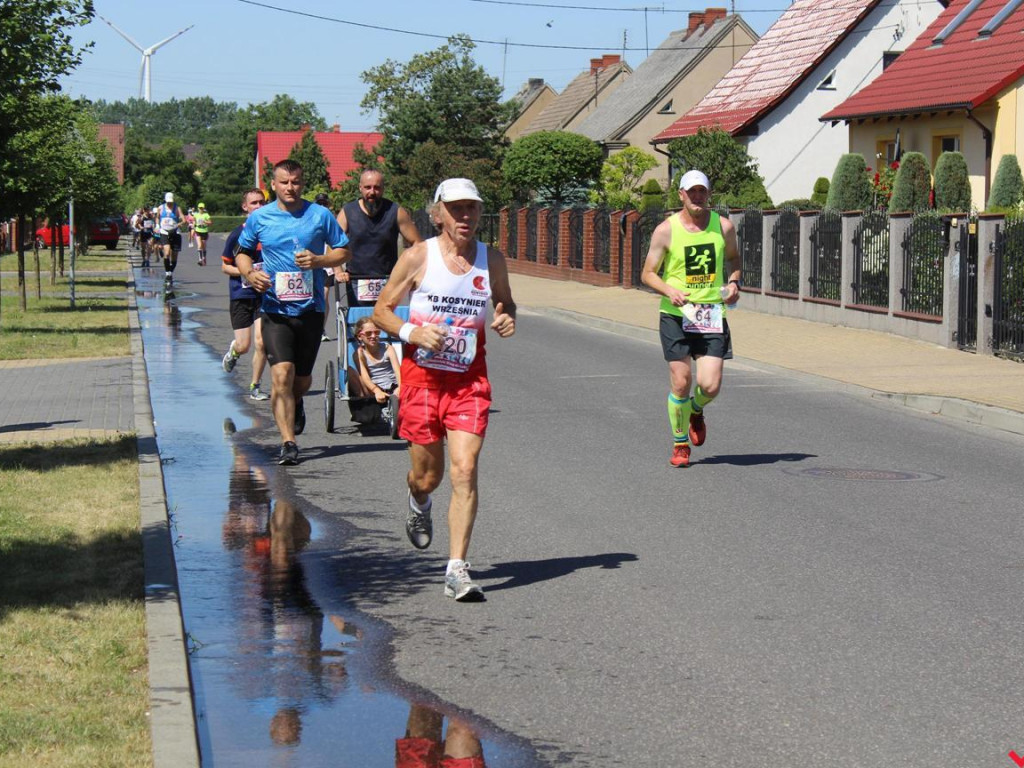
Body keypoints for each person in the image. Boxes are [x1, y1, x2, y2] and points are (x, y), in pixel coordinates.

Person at [373, 178, 516, 602]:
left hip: (469, 382)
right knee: (428, 477)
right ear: (437, 214)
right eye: (455, 209)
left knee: (465, 469)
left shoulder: (492, 260)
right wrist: (413, 332)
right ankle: (418, 502)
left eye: (472, 208)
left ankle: (457, 567)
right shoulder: (418, 257)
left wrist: (506, 318)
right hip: (422, 381)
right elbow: (381, 311)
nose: (465, 216)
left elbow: (505, 301)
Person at [234, 160, 350, 466]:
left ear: (302, 183)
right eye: (284, 182)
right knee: (281, 375)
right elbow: (242, 253)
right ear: (273, 184)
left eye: (296, 182)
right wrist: (249, 275)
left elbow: (343, 250)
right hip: (274, 308)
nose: (290, 187)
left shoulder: (320, 215)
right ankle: (288, 442)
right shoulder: (260, 218)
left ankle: (296, 401)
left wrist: (319, 260)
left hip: (310, 309)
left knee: (301, 381)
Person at [640, 169, 741, 469]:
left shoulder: (723, 227)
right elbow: (647, 274)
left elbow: (734, 260)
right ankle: (680, 443)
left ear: (708, 194)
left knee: (710, 386)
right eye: (691, 191)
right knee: (681, 381)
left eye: (702, 191)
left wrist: (734, 283)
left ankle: (696, 410)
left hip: (710, 314)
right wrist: (668, 289)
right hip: (676, 314)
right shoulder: (665, 230)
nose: (697, 196)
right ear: (680, 195)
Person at [336, 169, 421, 308]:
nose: (372, 192)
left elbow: (418, 243)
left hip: (388, 279)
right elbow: (333, 243)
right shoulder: (348, 211)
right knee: (360, 324)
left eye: (377, 187)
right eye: (367, 187)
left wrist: (410, 269)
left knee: (387, 322)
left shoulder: (395, 211)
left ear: (383, 189)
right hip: (356, 280)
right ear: (360, 188)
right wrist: (338, 271)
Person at [220, 187, 271, 401]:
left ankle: (255, 385)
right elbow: (225, 267)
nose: (258, 207)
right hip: (241, 295)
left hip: (264, 295)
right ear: (245, 207)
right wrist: (247, 273)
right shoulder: (236, 235)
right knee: (244, 345)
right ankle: (234, 352)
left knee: (262, 342)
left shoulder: (270, 232)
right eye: (254, 203)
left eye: (261, 202)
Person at [351, 315, 401, 401]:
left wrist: (400, 387)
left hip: (394, 386)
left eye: (377, 332)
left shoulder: (387, 348)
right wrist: (376, 391)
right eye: (368, 333)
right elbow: (365, 377)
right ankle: (362, 407)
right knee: (350, 371)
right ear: (359, 336)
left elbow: (398, 371)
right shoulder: (359, 353)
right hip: (373, 390)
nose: (373, 336)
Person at [155, 192, 188, 284]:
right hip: (164, 231)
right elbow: (157, 218)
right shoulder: (161, 208)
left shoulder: (177, 208)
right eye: (168, 202)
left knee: (174, 255)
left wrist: (179, 223)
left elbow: (184, 220)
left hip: (175, 232)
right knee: (167, 252)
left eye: (171, 202)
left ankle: (170, 272)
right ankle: (167, 273)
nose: (169, 204)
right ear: (165, 200)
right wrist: (157, 225)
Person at [193, 201, 212, 266]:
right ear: (198, 208)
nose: (201, 209)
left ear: (203, 208)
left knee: (203, 246)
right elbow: (194, 222)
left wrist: (205, 222)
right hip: (198, 231)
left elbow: (210, 223)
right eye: (200, 208)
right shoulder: (196, 215)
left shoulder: (206, 215)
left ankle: (204, 257)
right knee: (199, 245)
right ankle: (200, 259)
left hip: (204, 231)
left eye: (202, 208)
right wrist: (194, 226)